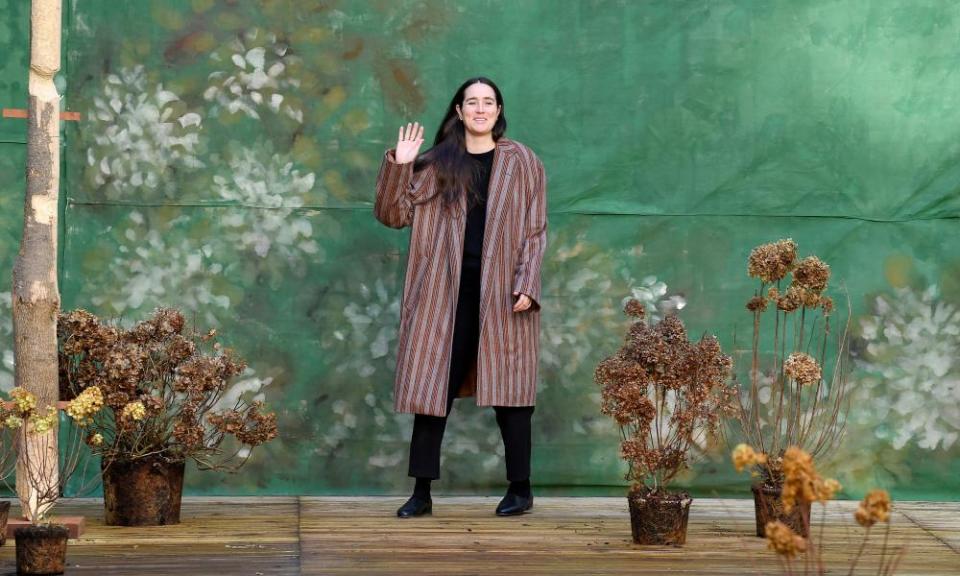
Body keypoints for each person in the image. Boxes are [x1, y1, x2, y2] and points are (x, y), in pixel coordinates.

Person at [374, 77, 547, 518]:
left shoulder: (523, 161)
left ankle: (520, 488)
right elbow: (393, 216)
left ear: (499, 109)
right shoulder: (434, 163)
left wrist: (527, 282)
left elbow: (535, 228)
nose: (480, 109)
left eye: (488, 102)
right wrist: (402, 165)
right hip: (442, 292)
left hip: (503, 293)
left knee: (512, 394)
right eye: (472, 102)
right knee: (434, 390)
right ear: (458, 111)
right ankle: (421, 493)